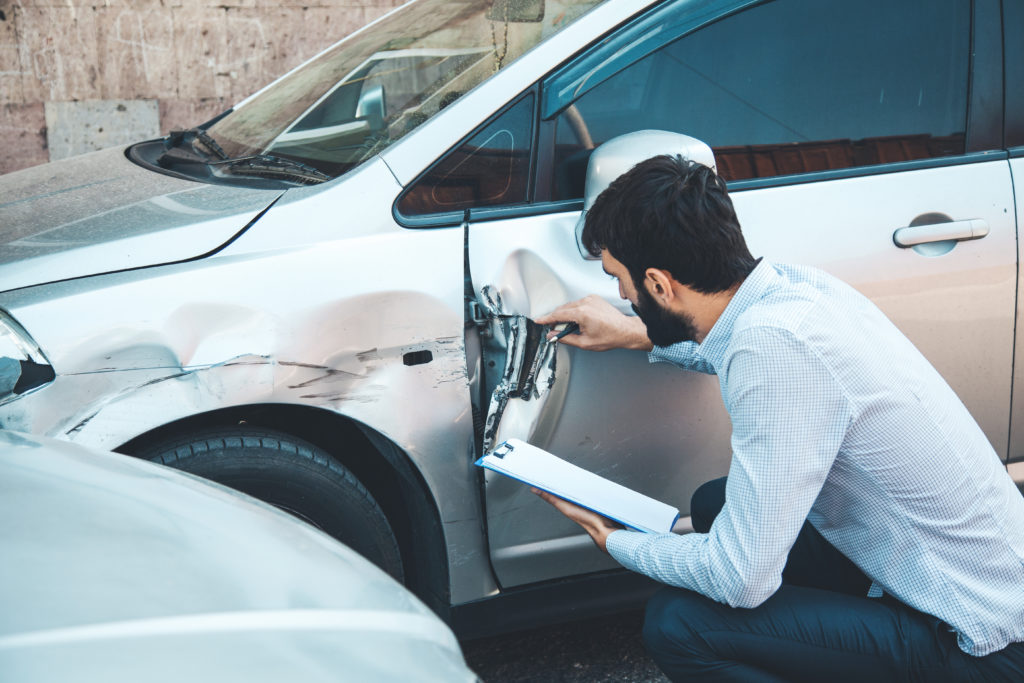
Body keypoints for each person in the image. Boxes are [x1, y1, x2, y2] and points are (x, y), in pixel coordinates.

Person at [534, 154, 1024, 681]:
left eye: (620, 281)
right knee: (713, 505)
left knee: (678, 623)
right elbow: (727, 345)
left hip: (979, 640)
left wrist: (617, 541)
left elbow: (742, 579)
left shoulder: (772, 353)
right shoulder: (793, 292)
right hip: (977, 579)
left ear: (658, 283)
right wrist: (633, 332)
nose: (622, 297)